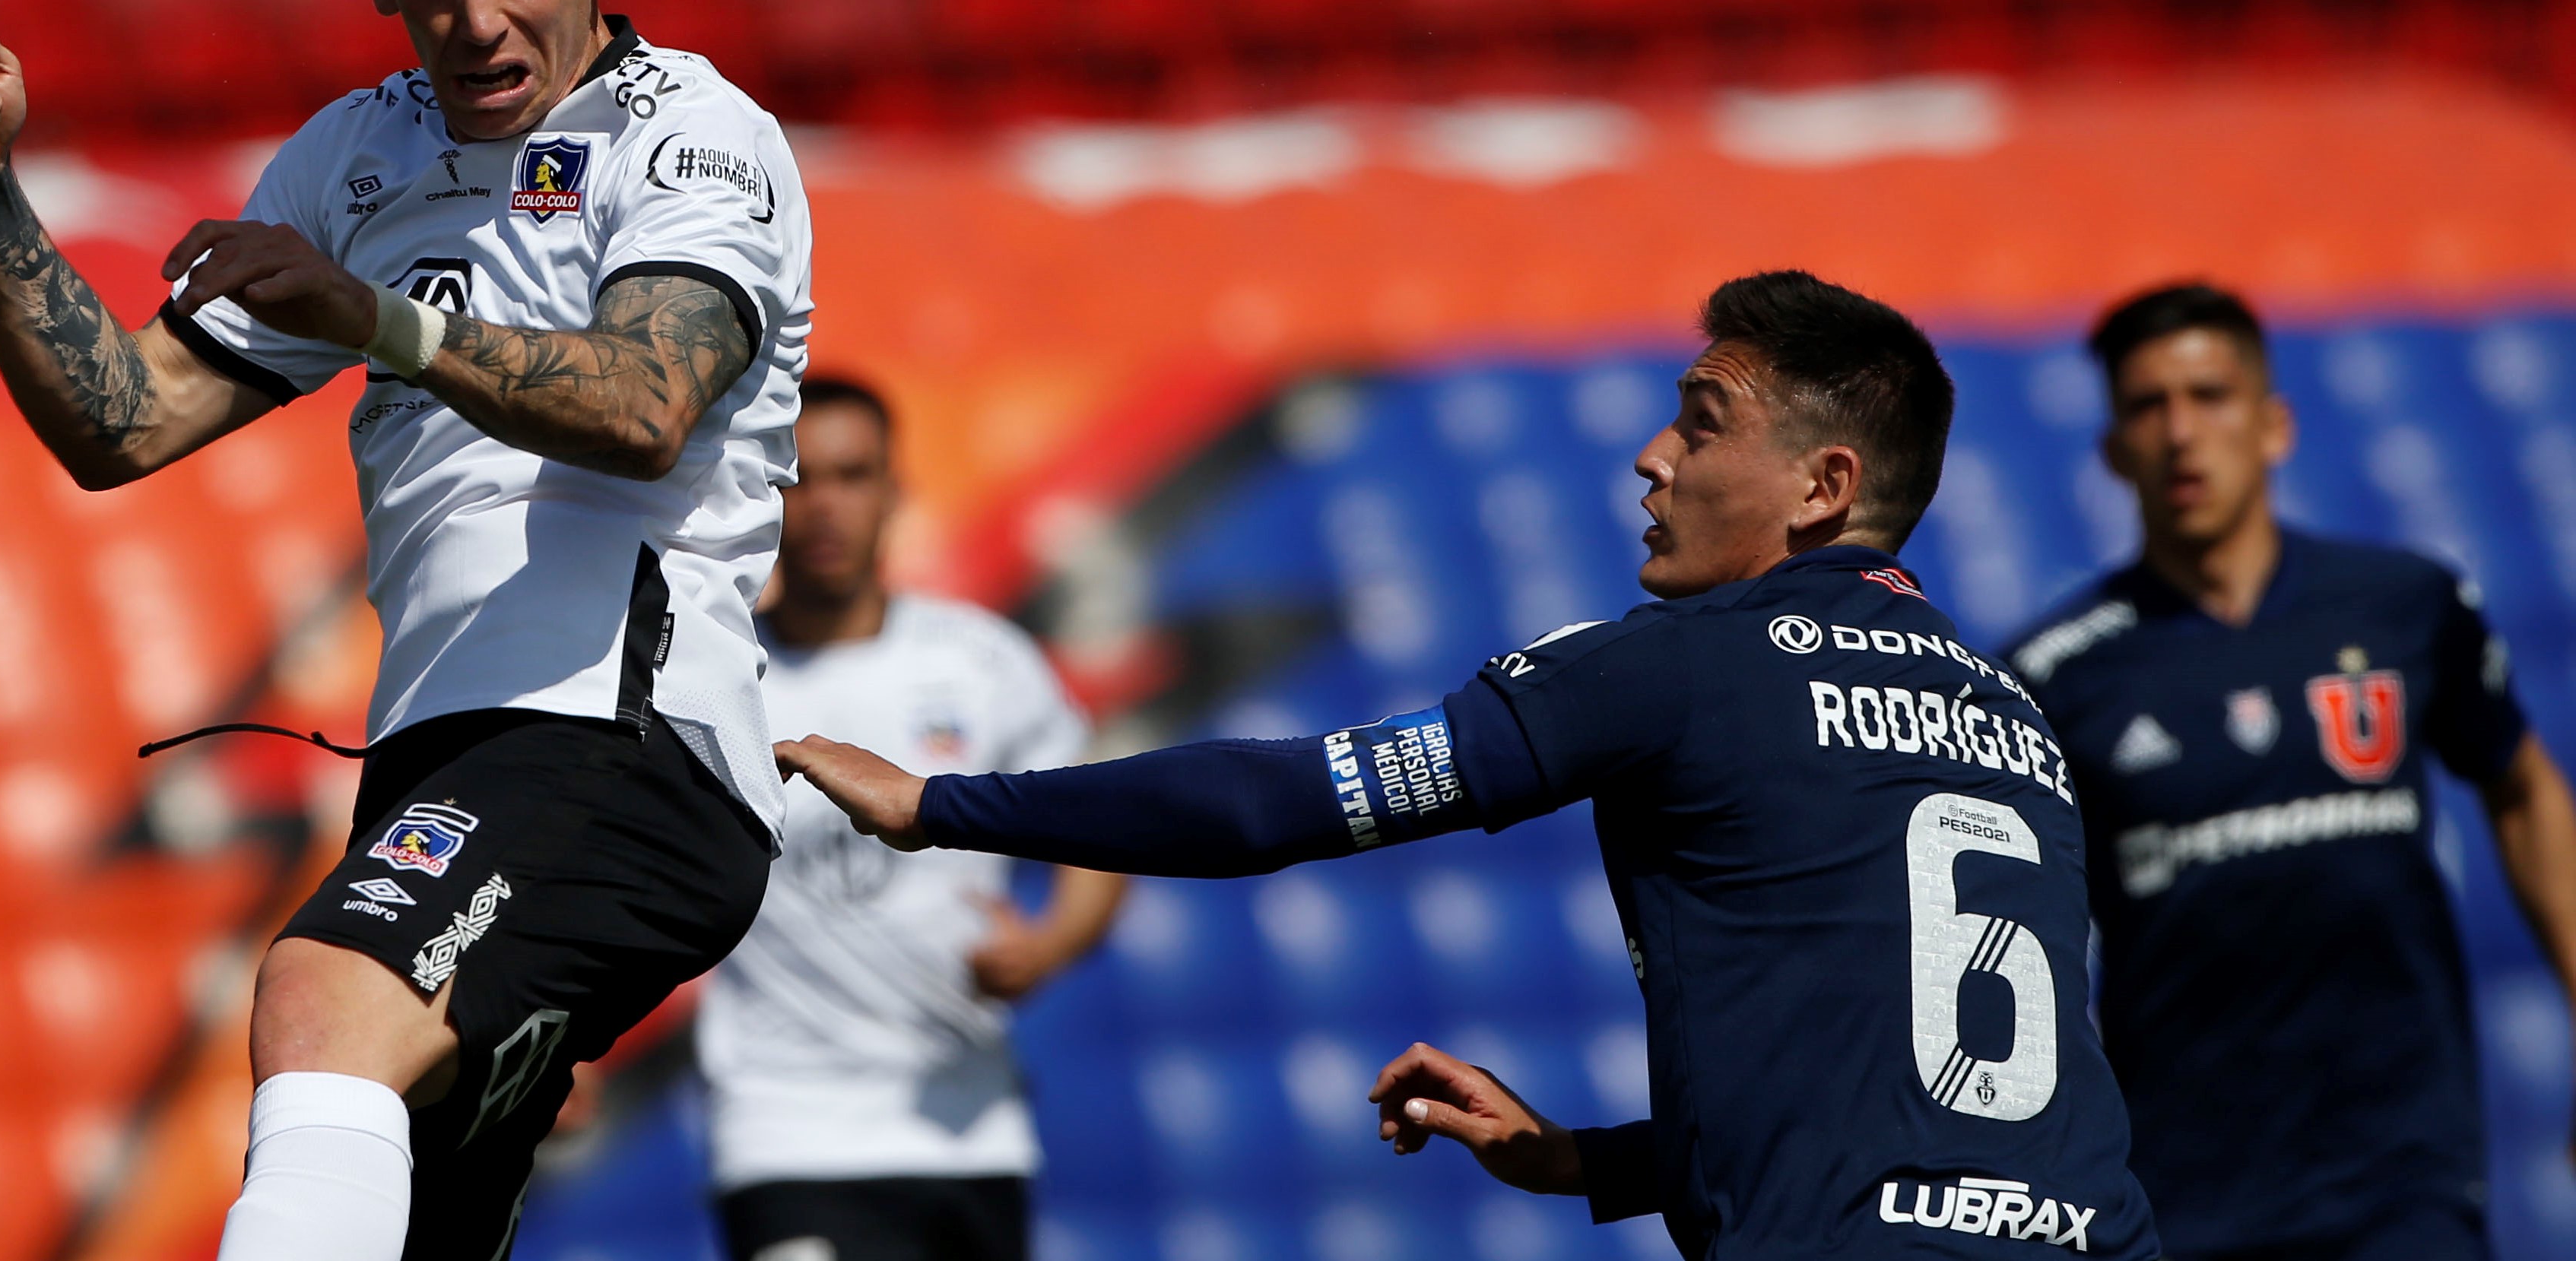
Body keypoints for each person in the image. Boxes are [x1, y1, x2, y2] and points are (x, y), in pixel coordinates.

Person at [782, 272, 2162, 1259]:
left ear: (1821, 487)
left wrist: (937, 806)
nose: (1651, 455)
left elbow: (1288, 802)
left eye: (1699, 419)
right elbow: (1922, 1094)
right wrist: (1587, 1165)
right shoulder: (2010, 718)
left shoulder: (1688, 661)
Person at [0, 0, 813, 1261]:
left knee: (319, 993)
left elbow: (648, 403)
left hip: (620, 739)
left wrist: (373, 322)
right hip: (443, 756)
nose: (474, 17)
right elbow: (120, 420)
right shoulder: (353, 159)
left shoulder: (698, 138)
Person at [2004, 284, 2576, 1261]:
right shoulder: (2055, 673)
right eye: (2149, 405)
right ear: (2112, 450)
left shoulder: (2405, 602)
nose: (2183, 431)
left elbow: (2522, 789)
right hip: (2183, 1189)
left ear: (2274, 424)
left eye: (2210, 394)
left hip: (2404, 1170)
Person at [696, 375, 1126, 1261]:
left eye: (854, 475)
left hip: (968, 1125)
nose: (826, 506)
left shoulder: (980, 661)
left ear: (896, 491)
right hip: (785, 1129)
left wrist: (1049, 945)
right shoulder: (713, 677)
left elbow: (1099, 826)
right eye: (800, 475)